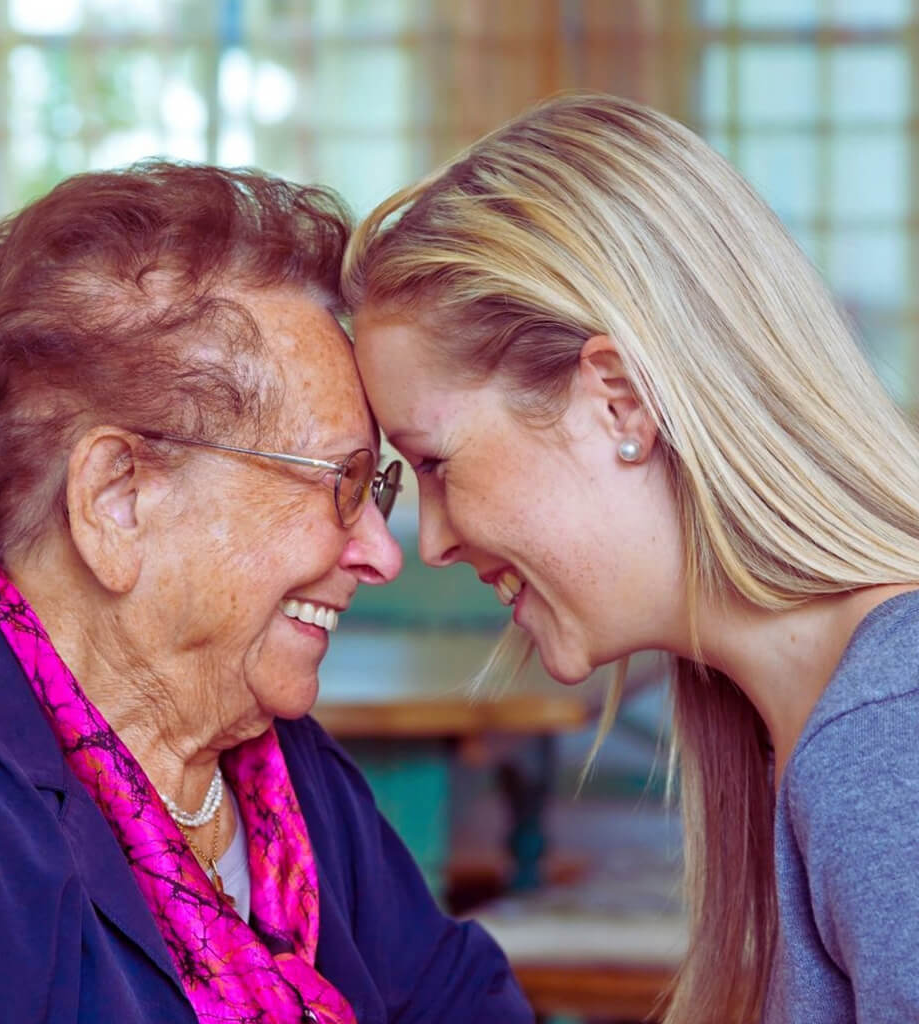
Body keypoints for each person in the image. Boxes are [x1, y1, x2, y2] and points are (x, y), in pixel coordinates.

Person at [0, 160, 534, 1023]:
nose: (383, 553)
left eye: (372, 488)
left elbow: (463, 1002)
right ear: (117, 498)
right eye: (339, 482)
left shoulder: (295, 774)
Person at [342, 92, 919, 1024]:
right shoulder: (802, 718)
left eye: (438, 464)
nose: (435, 539)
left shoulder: (888, 730)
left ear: (618, 401)